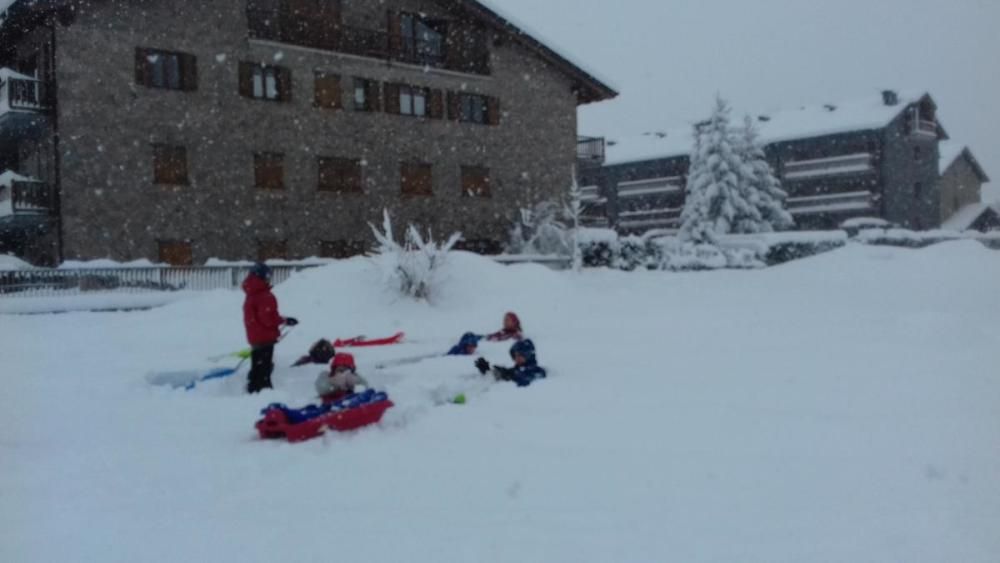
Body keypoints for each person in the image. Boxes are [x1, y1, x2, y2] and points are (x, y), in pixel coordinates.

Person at [242, 262, 298, 393]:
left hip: (255, 336)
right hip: (265, 337)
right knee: (264, 368)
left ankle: (253, 388)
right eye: (268, 277)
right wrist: (284, 320)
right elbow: (267, 319)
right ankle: (264, 390)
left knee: (257, 364)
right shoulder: (264, 295)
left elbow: (262, 316)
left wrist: (281, 320)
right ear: (263, 277)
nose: (269, 279)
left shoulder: (251, 293)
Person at [475, 339, 546, 387]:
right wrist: (487, 371)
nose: (517, 358)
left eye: (521, 355)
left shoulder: (537, 370)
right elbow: (497, 378)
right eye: (516, 355)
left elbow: (527, 381)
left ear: (529, 355)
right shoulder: (514, 370)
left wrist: (511, 376)